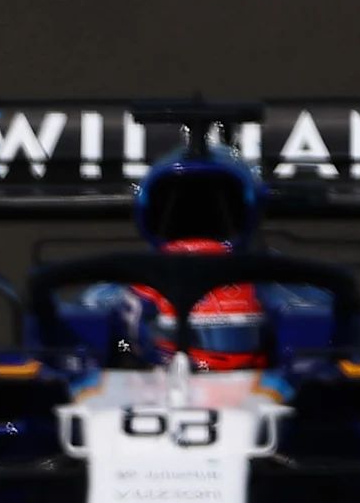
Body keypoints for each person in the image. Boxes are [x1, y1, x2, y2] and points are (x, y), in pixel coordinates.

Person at [51, 147, 340, 369]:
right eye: (179, 208)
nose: (197, 218)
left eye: (216, 208)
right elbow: (63, 367)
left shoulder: (299, 298)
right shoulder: (108, 299)